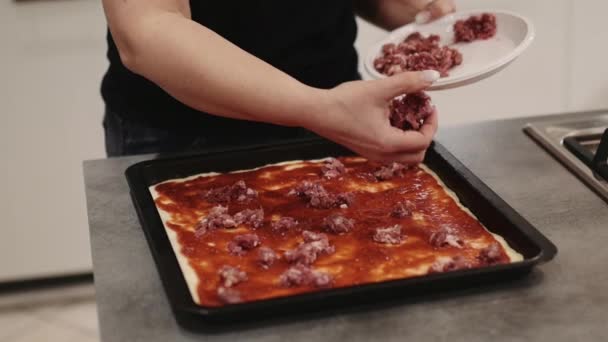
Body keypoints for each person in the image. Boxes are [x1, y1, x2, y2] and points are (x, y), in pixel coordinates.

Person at [101, 0, 455, 162]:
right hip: (185, 132)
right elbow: (145, 29)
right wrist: (318, 109)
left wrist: (415, 11)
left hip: (341, 110)